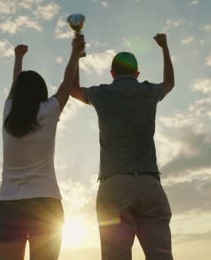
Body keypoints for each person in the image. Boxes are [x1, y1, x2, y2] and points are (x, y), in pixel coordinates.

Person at [70, 33, 175, 260]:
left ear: (112, 73)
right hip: (149, 183)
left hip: (114, 186)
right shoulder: (150, 92)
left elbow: (72, 89)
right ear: (137, 74)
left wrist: (77, 56)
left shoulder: (101, 94)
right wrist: (165, 48)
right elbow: (169, 83)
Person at [0, 34, 85, 260]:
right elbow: (66, 83)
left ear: (16, 93)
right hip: (46, 204)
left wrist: (18, 59)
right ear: (41, 91)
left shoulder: (8, 111)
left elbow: (16, 86)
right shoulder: (50, 110)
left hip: (9, 204)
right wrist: (75, 53)